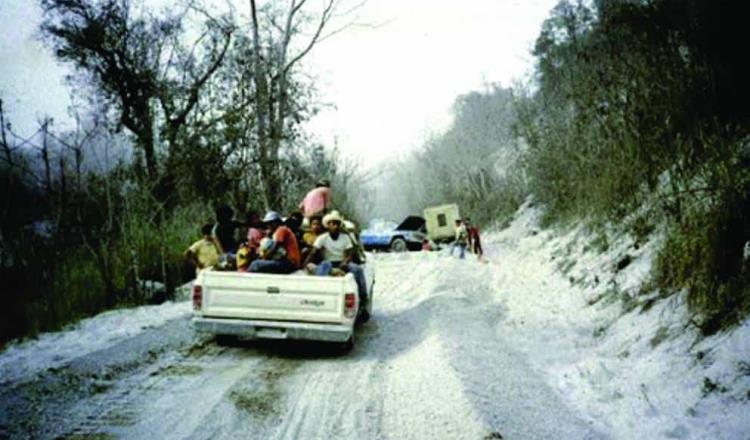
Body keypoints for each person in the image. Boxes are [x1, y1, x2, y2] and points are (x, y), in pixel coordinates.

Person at [302, 211, 368, 316]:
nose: (334, 225)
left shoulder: (345, 237)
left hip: (342, 262)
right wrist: (305, 264)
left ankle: (363, 300)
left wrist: (344, 262)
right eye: (331, 223)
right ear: (327, 225)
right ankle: (316, 294)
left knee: (357, 269)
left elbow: (349, 254)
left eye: (336, 223)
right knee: (325, 265)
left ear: (339, 224)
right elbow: (313, 252)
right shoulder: (323, 238)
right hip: (329, 262)